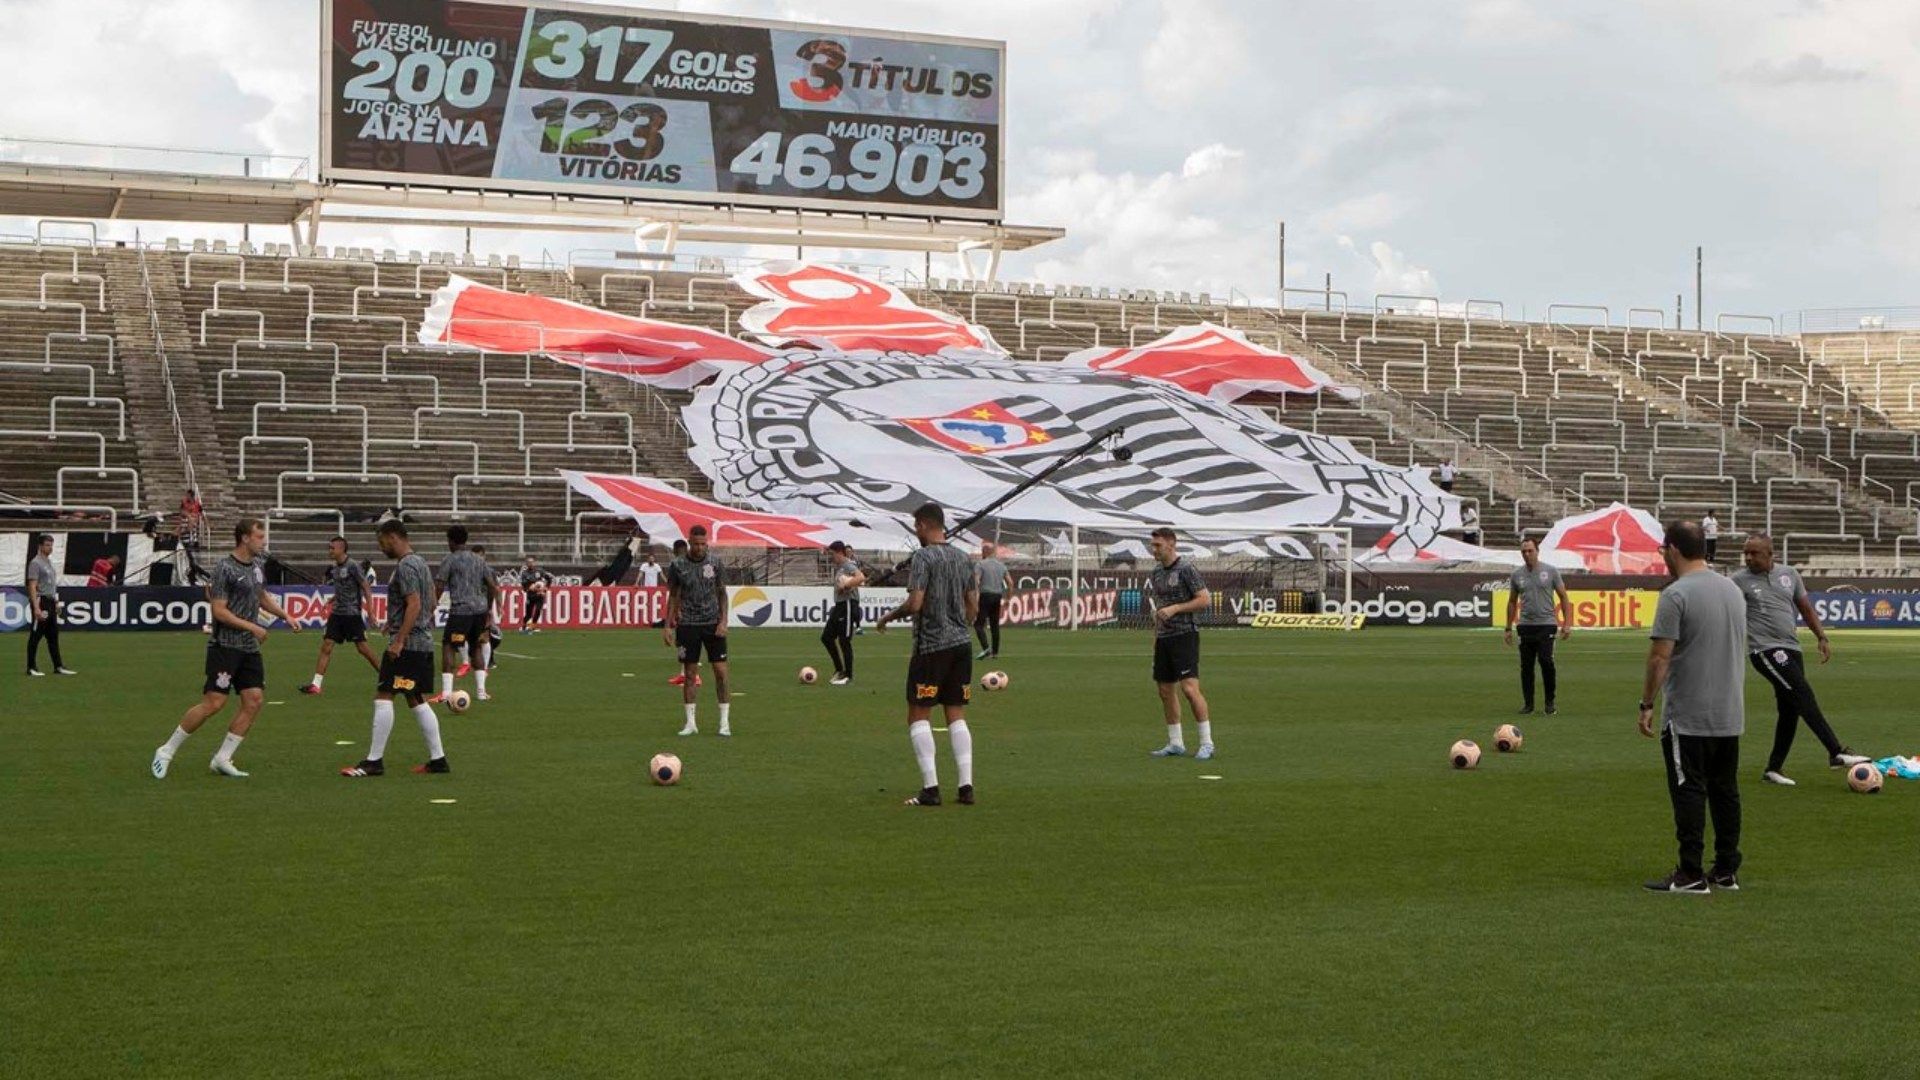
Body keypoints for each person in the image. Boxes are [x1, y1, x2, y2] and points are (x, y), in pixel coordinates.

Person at [1639, 520, 1747, 893]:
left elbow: (1659, 658)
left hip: (1689, 715)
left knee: (1689, 790)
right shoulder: (1733, 590)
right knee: (1725, 791)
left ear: (1673, 550)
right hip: (1729, 713)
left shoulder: (1676, 594)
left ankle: (1689, 873)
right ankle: (1726, 868)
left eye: (1662, 551)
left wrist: (1646, 703)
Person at [150, 519, 298, 779]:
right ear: (244, 538)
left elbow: (261, 595)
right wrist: (253, 627)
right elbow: (218, 610)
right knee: (214, 703)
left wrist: (286, 615)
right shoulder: (224, 568)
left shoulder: (257, 566)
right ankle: (166, 750)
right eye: (259, 536)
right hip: (226, 647)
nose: (264, 541)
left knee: (254, 701)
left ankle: (222, 758)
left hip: (249, 648)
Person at [1731, 535, 1870, 786]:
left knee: (1790, 709)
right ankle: (1835, 751)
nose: (1748, 558)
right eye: (1746, 553)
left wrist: (1821, 637)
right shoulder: (1738, 581)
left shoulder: (1790, 574)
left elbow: (1805, 607)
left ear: (1770, 554)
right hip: (1765, 650)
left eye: (1754, 553)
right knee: (1802, 693)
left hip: (1791, 648)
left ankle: (1773, 769)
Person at [875, 503, 978, 806]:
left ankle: (931, 788)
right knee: (955, 713)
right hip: (961, 645)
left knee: (918, 713)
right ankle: (966, 786)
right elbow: (972, 607)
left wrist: (888, 617)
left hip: (932, 646)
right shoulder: (963, 558)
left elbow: (915, 602)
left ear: (921, 525)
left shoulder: (923, 557)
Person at [342, 519, 450, 777]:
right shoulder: (421, 563)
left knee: (384, 695)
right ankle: (438, 760)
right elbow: (431, 602)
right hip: (422, 643)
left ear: (393, 537)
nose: (381, 548)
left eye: (382, 542)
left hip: (409, 645)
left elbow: (414, 604)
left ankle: (374, 761)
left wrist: (400, 638)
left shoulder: (405, 567)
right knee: (415, 699)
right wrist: (394, 620)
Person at [1147, 527, 1215, 760]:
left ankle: (1207, 742)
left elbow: (1205, 599)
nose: (1153, 549)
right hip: (1164, 638)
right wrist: (1155, 640)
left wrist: (1176, 608)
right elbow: (1160, 609)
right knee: (1165, 691)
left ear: (1171, 544)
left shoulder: (1186, 569)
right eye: (1152, 545)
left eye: (1157, 545)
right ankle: (1176, 742)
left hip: (1185, 636)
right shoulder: (1155, 573)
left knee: (1189, 689)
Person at [665, 525, 730, 736]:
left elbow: (722, 593)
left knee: (721, 673)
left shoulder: (715, 562)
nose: (700, 548)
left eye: (703, 544)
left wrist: (723, 621)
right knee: (690, 675)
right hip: (688, 625)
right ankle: (690, 723)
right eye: (696, 544)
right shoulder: (677, 565)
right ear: (689, 542)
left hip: (712, 624)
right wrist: (668, 625)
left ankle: (724, 723)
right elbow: (673, 595)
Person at [300, 536, 380, 695]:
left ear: (342, 549)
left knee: (362, 648)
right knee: (327, 646)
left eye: (332, 548)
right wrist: (332, 599)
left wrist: (371, 612)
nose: (329, 551)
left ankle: (386, 676)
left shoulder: (353, 566)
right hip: (337, 613)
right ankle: (316, 685)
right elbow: (343, 588)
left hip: (351, 614)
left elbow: (366, 588)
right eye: (329, 547)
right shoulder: (335, 568)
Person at [1503, 539, 1572, 714]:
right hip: (1525, 626)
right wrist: (1508, 628)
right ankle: (1529, 705)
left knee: (1546, 661)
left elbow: (1563, 597)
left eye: (1530, 551)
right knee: (1526, 666)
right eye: (1524, 551)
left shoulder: (1550, 571)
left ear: (1537, 551)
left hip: (1547, 624)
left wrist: (1567, 624)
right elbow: (1512, 601)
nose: (1527, 554)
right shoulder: (1517, 575)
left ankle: (1550, 702)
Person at [434, 525, 497, 703]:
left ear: (451, 541)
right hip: (479, 611)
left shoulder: (450, 559)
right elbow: (492, 586)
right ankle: (481, 692)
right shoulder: (478, 560)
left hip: (461, 612)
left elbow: (439, 585)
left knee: (449, 646)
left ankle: (446, 693)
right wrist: (488, 608)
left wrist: (431, 607)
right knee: (476, 646)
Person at [24, 534, 74, 676]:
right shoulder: (35, 563)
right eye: (47, 545)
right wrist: (36, 607)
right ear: (40, 546)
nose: (50, 548)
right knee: (36, 635)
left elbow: (50, 585)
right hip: (41, 601)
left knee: (53, 635)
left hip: (50, 601)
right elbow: (32, 586)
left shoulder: (49, 562)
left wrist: (56, 601)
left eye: (51, 545)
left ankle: (58, 666)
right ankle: (31, 667)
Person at [822, 541, 865, 685]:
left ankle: (848, 675)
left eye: (832, 554)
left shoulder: (848, 565)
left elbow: (860, 577)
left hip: (847, 605)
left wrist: (846, 585)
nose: (831, 557)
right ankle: (839, 670)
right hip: (839, 605)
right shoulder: (840, 567)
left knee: (844, 641)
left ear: (839, 552)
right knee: (826, 637)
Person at [973, 541, 1008, 660]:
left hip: (985, 596)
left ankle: (986, 649)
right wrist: (1008, 598)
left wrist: (976, 597)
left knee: (978, 625)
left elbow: (976, 581)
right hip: (997, 596)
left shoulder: (980, 564)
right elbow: (1010, 582)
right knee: (994, 625)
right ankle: (995, 653)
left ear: (984, 552)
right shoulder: (1001, 565)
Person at [520, 556, 553, 633]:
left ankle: (533, 627)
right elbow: (524, 586)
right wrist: (530, 587)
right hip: (530, 596)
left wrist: (546, 588)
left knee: (538, 611)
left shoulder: (539, 571)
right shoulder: (524, 573)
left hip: (540, 595)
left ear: (534, 563)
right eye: (529, 562)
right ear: (526, 564)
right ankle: (524, 626)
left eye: (532, 562)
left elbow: (549, 578)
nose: (530, 564)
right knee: (528, 614)